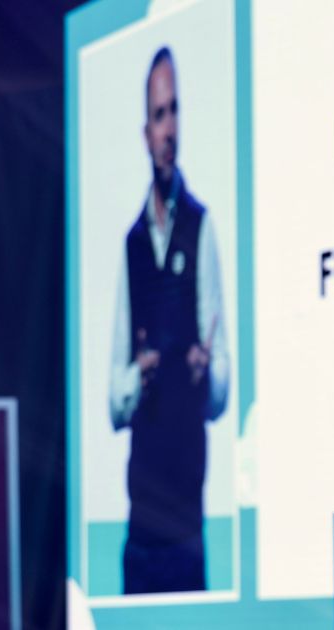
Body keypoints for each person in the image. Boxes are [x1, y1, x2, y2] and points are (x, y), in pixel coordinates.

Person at [108, 46, 229, 594]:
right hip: (140, 528)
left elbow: (224, 384)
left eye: (176, 110)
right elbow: (113, 399)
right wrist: (142, 376)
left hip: (187, 524)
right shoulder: (131, 245)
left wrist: (206, 371)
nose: (170, 127)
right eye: (160, 114)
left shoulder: (201, 227)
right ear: (146, 132)